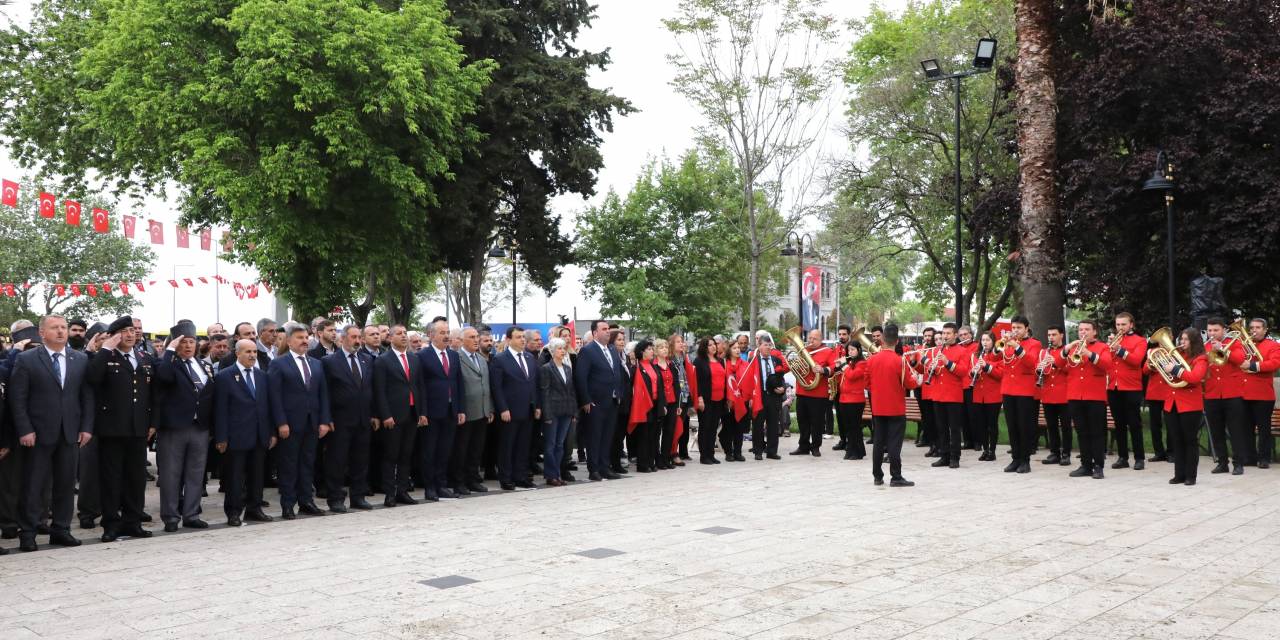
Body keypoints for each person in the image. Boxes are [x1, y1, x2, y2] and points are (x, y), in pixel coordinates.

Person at [9, 315, 94, 551]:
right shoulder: (27, 359)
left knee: (66, 485)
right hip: (37, 434)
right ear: (42, 332)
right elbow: (17, 398)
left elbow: (86, 396)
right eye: (55, 328)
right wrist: (24, 429)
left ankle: (61, 529)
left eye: (64, 328)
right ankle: (28, 532)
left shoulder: (80, 359)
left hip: (69, 432)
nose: (60, 332)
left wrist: (86, 427)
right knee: (33, 485)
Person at [85, 316, 154, 543]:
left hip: (137, 429)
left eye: (133, 330)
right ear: (115, 335)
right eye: (124, 331)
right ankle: (111, 524)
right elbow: (92, 377)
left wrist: (152, 422)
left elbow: (151, 393)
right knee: (112, 479)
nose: (130, 335)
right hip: (112, 429)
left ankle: (133, 522)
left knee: (135, 479)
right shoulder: (105, 356)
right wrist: (105, 349)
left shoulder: (144, 358)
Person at [153, 321, 216, 531]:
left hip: (199, 426)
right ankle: (171, 517)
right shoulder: (167, 363)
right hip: (174, 427)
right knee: (171, 475)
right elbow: (164, 377)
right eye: (183, 342)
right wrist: (170, 351)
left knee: (196, 473)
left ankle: (191, 514)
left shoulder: (202, 365)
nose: (188, 346)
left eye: (192, 342)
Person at [268, 322, 332, 519]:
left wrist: (324, 421)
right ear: (288, 341)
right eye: (300, 338)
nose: (305, 341)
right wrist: (281, 423)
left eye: (306, 338)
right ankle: (288, 504)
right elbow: (275, 396)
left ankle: (306, 501)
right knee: (288, 465)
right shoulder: (279, 363)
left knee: (307, 463)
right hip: (290, 424)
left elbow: (323, 395)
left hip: (312, 423)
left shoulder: (316, 363)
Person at [214, 339, 276, 526]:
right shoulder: (225, 376)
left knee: (257, 476)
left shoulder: (262, 375)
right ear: (237, 353)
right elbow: (220, 409)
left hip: (259, 434)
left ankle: (254, 509)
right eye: (248, 352)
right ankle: (233, 512)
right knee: (235, 477)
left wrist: (271, 432)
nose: (252, 355)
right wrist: (221, 437)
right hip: (236, 436)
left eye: (255, 352)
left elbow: (268, 406)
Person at [320, 325, 376, 512]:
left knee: (361, 460)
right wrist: (326, 418)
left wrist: (374, 414)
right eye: (353, 337)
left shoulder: (367, 360)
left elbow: (371, 390)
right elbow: (325, 393)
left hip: (363, 420)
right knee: (337, 461)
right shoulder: (329, 362)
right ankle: (335, 498)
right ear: (342, 339)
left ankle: (358, 497)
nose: (357, 341)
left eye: (359, 337)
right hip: (340, 420)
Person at [372, 325, 426, 507]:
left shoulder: (414, 358)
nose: (403, 336)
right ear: (391, 337)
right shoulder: (383, 360)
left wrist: (422, 412)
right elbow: (379, 391)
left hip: (412, 413)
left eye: (405, 334)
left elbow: (419, 387)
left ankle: (402, 490)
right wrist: (385, 414)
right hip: (393, 415)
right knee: (391, 455)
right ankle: (389, 493)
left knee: (406, 454)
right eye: (399, 334)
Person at [866, 324, 919, 487]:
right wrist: (917, 380)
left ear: (881, 340)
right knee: (894, 444)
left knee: (878, 442)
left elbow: (866, 383)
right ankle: (895, 476)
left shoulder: (871, 359)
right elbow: (909, 384)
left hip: (878, 407)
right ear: (897, 341)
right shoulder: (900, 361)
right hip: (895, 408)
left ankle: (877, 476)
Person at [418, 319, 464, 501]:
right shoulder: (422, 356)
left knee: (445, 450)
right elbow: (419, 385)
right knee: (430, 451)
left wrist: (460, 408)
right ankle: (429, 487)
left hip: (451, 410)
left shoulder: (453, 355)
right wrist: (423, 411)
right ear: (431, 335)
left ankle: (441, 484)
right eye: (442, 333)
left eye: (447, 332)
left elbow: (458, 382)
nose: (446, 336)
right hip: (431, 411)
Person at [489, 326, 541, 489]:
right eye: (518, 337)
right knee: (507, 445)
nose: (522, 340)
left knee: (523, 445)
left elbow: (534, 384)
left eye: (523, 337)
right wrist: (503, 408)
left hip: (528, 409)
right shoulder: (500, 359)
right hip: (509, 411)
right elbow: (496, 387)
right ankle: (506, 478)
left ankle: (520, 476)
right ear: (509, 339)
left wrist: (537, 405)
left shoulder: (529, 357)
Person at [1062, 320, 1113, 479]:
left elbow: (1106, 364)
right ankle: (1085, 465)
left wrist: (1088, 353)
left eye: (1086, 329)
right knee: (1082, 432)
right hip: (1075, 395)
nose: (1083, 332)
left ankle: (1098, 466)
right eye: (1080, 330)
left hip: (1095, 396)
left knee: (1096, 432)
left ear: (1094, 332)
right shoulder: (1073, 349)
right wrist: (1066, 350)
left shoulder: (1102, 347)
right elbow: (1058, 364)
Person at [574, 320, 624, 482]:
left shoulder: (611, 349)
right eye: (604, 329)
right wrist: (586, 400)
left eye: (608, 329)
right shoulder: (588, 351)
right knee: (594, 437)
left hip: (612, 400)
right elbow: (581, 377)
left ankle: (604, 467)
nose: (608, 331)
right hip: (595, 402)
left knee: (607, 436)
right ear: (595, 333)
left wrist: (619, 393)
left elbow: (616, 373)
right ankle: (594, 469)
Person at [1158, 328, 1209, 485]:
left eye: (1186, 340)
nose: (1182, 343)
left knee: (1189, 440)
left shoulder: (1201, 358)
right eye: (1181, 339)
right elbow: (1170, 376)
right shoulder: (1177, 356)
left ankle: (1191, 476)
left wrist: (1174, 369)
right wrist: (1159, 365)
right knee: (1176, 440)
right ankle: (1179, 474)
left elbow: (1195, 377)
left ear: (1194, 341)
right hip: (1171, 403)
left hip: (1190, 405)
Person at [1203, 317, 1248, 475]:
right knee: (1216, 431)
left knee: (1235, 429)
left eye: (1216, 330)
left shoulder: (1235, 342)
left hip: (1232, 392)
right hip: (1212, 393)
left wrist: (1222, 348)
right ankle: (1222, 462)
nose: (1212, 333)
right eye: (1209, 330)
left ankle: (1238, 463)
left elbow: (1240, 359)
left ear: (1224, 330)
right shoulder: (1205, 346)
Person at [999, 316, 1042, 474]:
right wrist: (1004, 346)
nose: (1015, 331)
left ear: (1026, 328)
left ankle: (1025, 460)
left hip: (1025, 390)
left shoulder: (1035, 344)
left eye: (1018, 328)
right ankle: (1015, 458)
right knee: (1012, 426)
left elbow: (1032, 364)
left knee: (1025, 426)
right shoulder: (1008, 345)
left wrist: (1017, 347)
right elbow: (1003, 362)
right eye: (1013, 328)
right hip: (1008, 389)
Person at [453, 327, 494, 493]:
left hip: (482, 410)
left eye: (477, 336)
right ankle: (459, 481)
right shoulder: (457, 358)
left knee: (476, 449)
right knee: (462, 449)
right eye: (472, 337)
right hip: (467, 411)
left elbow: (487, 385)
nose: (476, 340)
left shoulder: (481, 358)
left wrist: (490, 408)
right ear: (462, 341)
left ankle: (473, 479)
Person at [1106, 312, 1149, 470]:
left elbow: (1136, 361)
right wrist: (1110, 348)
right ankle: (1122, 457)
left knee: (1134, 423)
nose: (1120, 327)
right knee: (1119, 424)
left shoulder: (1140, 341)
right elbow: (1107, 362)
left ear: (1131, 324)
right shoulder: (1113, 341)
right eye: (1118, 324)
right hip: (1113, 386)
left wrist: (1120, 349)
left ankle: (1139, 458)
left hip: (1131, 387)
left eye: (1123, 324)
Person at [926, 323, 971, 469]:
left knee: (954, 429)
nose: (945, 336)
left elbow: (963, 371)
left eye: (948, 333)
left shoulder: (962, 351)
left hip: (953, 395)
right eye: (943, 333)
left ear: (955, 335)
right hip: (938, 395)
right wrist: (931, 367)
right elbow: (937, 371)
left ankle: (955, 457)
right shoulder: (939, 350)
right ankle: (944, 455)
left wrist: (947, 362)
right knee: (942, 428)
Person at [742, 330, 788, 460]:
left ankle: (772, 451)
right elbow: (750, 380)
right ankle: (758, 451)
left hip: (774, 397)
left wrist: (782, 388)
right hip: (760, 396)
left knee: (773, 425)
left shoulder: (775, 360)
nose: (768, 347)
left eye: (769, 345)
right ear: (759, 346)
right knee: (758, 425)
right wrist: (750, 397)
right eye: (765, 345)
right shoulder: (753, 360)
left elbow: (781, 378)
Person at [1240, 318, 1280, 469]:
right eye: (1251, 328)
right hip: (1244, 393)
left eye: (1257, 327)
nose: (1254, 330)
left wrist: (1251, 365)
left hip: (1263, 394)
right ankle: (1249, 457)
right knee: (1246, 428)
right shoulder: (1243, 345)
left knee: (1264, 429)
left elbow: (1274, 364)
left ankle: (1264, 458)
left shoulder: (1273, 346)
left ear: (1265, 330)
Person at [539, 338, 577, 485]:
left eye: (563, 348)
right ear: (553, 351)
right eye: (559, 348)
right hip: (553, 412)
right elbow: (545, 392)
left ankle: (557, 474)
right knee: (551, 444)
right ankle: (550, 475)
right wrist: (547, 415)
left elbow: (572, 391)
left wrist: (574, 412)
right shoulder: (546, 368)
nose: (562, 351)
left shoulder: (567, 368)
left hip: (566, 411)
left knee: (560, 444)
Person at [791, 329, 835, 457]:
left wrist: (823, 369)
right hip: (802, 391)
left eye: (814, 338)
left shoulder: (827, 351)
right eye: (810, 338)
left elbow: (833, 367)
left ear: (821, 339)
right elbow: (795, 367)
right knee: (802, 421)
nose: (811, 341)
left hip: (818, 394)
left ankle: (816, 447)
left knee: (817, 422)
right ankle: (803, 446)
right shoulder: (803, 350)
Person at [1038, 326, 1072, 466]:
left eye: (1054, 334)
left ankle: (1066, 454)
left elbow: (1070, 370)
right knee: (1051, 425)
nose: (1051, 337)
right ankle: (1054, 452)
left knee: (1065, 426)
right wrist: (1039, 368)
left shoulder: (1069, 351)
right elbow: (1038, 368)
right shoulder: (1043, 352)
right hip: (1047, 394)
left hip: (1064, 394)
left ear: (1061, 335)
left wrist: (1056, 363)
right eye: (1049, 335)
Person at [970, 331, 1005, 463]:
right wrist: (973, 372)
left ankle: (992, 451)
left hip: (993, 394)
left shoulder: (999, 355)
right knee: (981, 424)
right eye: (983, 340)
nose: (985, 343)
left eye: (988, 340)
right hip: (979, 393)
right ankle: (985, 449)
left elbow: (1000, 374)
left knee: (992, 424)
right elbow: (970, 371)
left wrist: (986, 367)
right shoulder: (976, 355)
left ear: (993, 342)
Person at [627, 340, 661, 472]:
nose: (652, 351)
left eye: (652, 349)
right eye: (649, 349)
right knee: (643, 435)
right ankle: (643, 464)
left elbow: (660, 387)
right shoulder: (636, 368)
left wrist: (661, 404)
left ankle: (651, 461)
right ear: (642, 352)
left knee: (654, 435)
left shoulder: (654, 366)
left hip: (655, 404)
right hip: (643, 405)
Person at [695, 337, 728, 465]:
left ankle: (711, 454)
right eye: (710, 345)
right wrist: (699, 398)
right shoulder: (699, 361)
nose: (713, 347)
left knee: (713, 428)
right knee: (705, 427)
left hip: (719, 399)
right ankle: (704, 456)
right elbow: (696, 382)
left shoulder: (720, 361)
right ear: (704, 347)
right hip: (706, 399)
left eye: (714, 344)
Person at [834, 341, 869, 461]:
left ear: (859, 350)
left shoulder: (862, 363)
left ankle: (857, 452)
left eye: (853, 349)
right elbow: (844, 376)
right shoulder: (849, 362)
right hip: (844, 398)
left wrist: (844, 366)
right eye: (849, 350)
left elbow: (852, 376)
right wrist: (839, 366)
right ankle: (852, 449)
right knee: (848, 427)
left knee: (855, 427)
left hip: (855, 399)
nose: (850, 352)